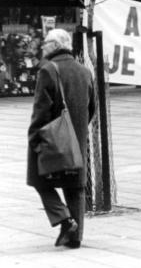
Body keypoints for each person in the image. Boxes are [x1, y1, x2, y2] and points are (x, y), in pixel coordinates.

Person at [27, 29, 95, 249]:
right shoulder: (84, 72)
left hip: (53, 138)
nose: (42, 47)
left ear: (56, 45)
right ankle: (75, 238)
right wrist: (78, 128)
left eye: (46, 43)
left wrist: (34, 137)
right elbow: (92, 107)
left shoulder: (48, 70)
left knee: (38, 179)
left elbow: (41, 110)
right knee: (75, 186)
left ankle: (65, 221)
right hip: (78, 138)